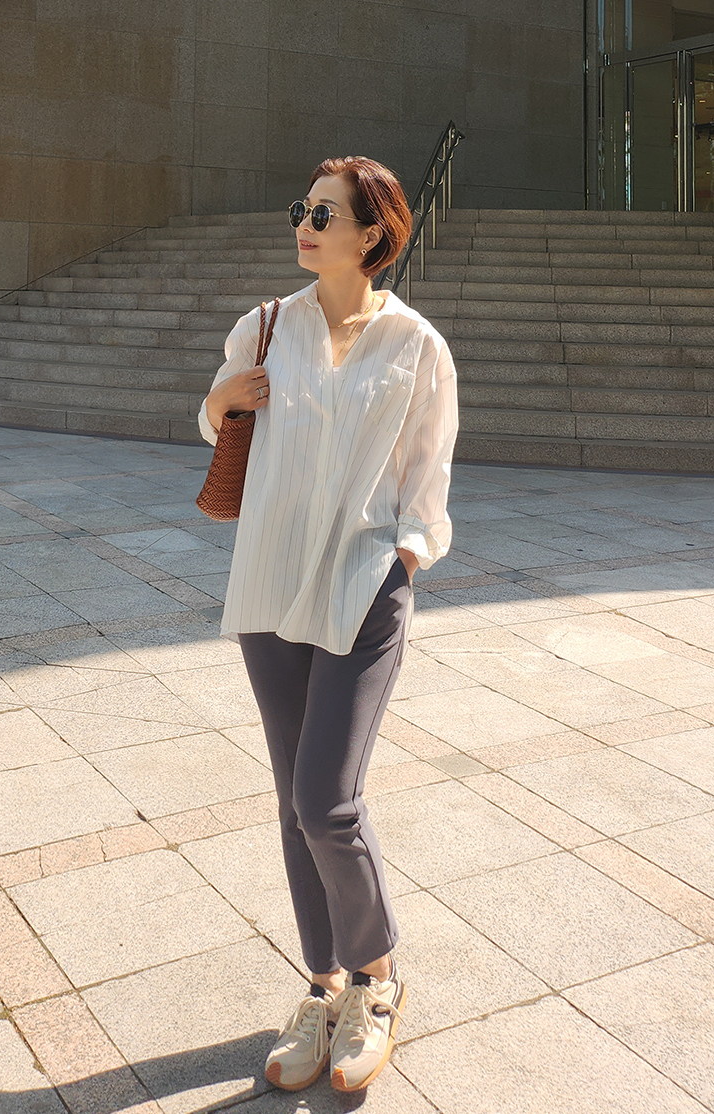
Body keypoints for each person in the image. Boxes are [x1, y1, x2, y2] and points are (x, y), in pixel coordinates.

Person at [198, 156, 459, 1093]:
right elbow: (214, 416)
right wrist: (223, 401)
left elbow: (428, 478)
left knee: (326, 801)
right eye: (301, 210)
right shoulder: (266, 325)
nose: (304, 227)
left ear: (371, 234)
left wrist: (404, 560)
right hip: (272, 587)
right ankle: (323, 985)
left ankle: (377, 983)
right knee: (290, 799)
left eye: (323, 215)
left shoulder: (417, 346)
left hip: (360, 592)